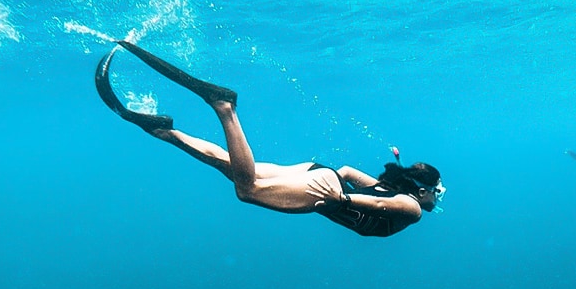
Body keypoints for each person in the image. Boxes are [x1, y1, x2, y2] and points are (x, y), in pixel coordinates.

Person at [95, 40, 445, 238]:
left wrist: (342, 187)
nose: (437, 199)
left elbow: (352, 172)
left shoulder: (395, 190)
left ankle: (165, 131)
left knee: (233, 168)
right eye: (438, 191)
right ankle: (224, 108)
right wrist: (342, 199)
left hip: (320, 175)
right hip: (326, 188)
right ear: (422, 189)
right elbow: (383, 206)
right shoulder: (412, 208)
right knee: (247, 190)